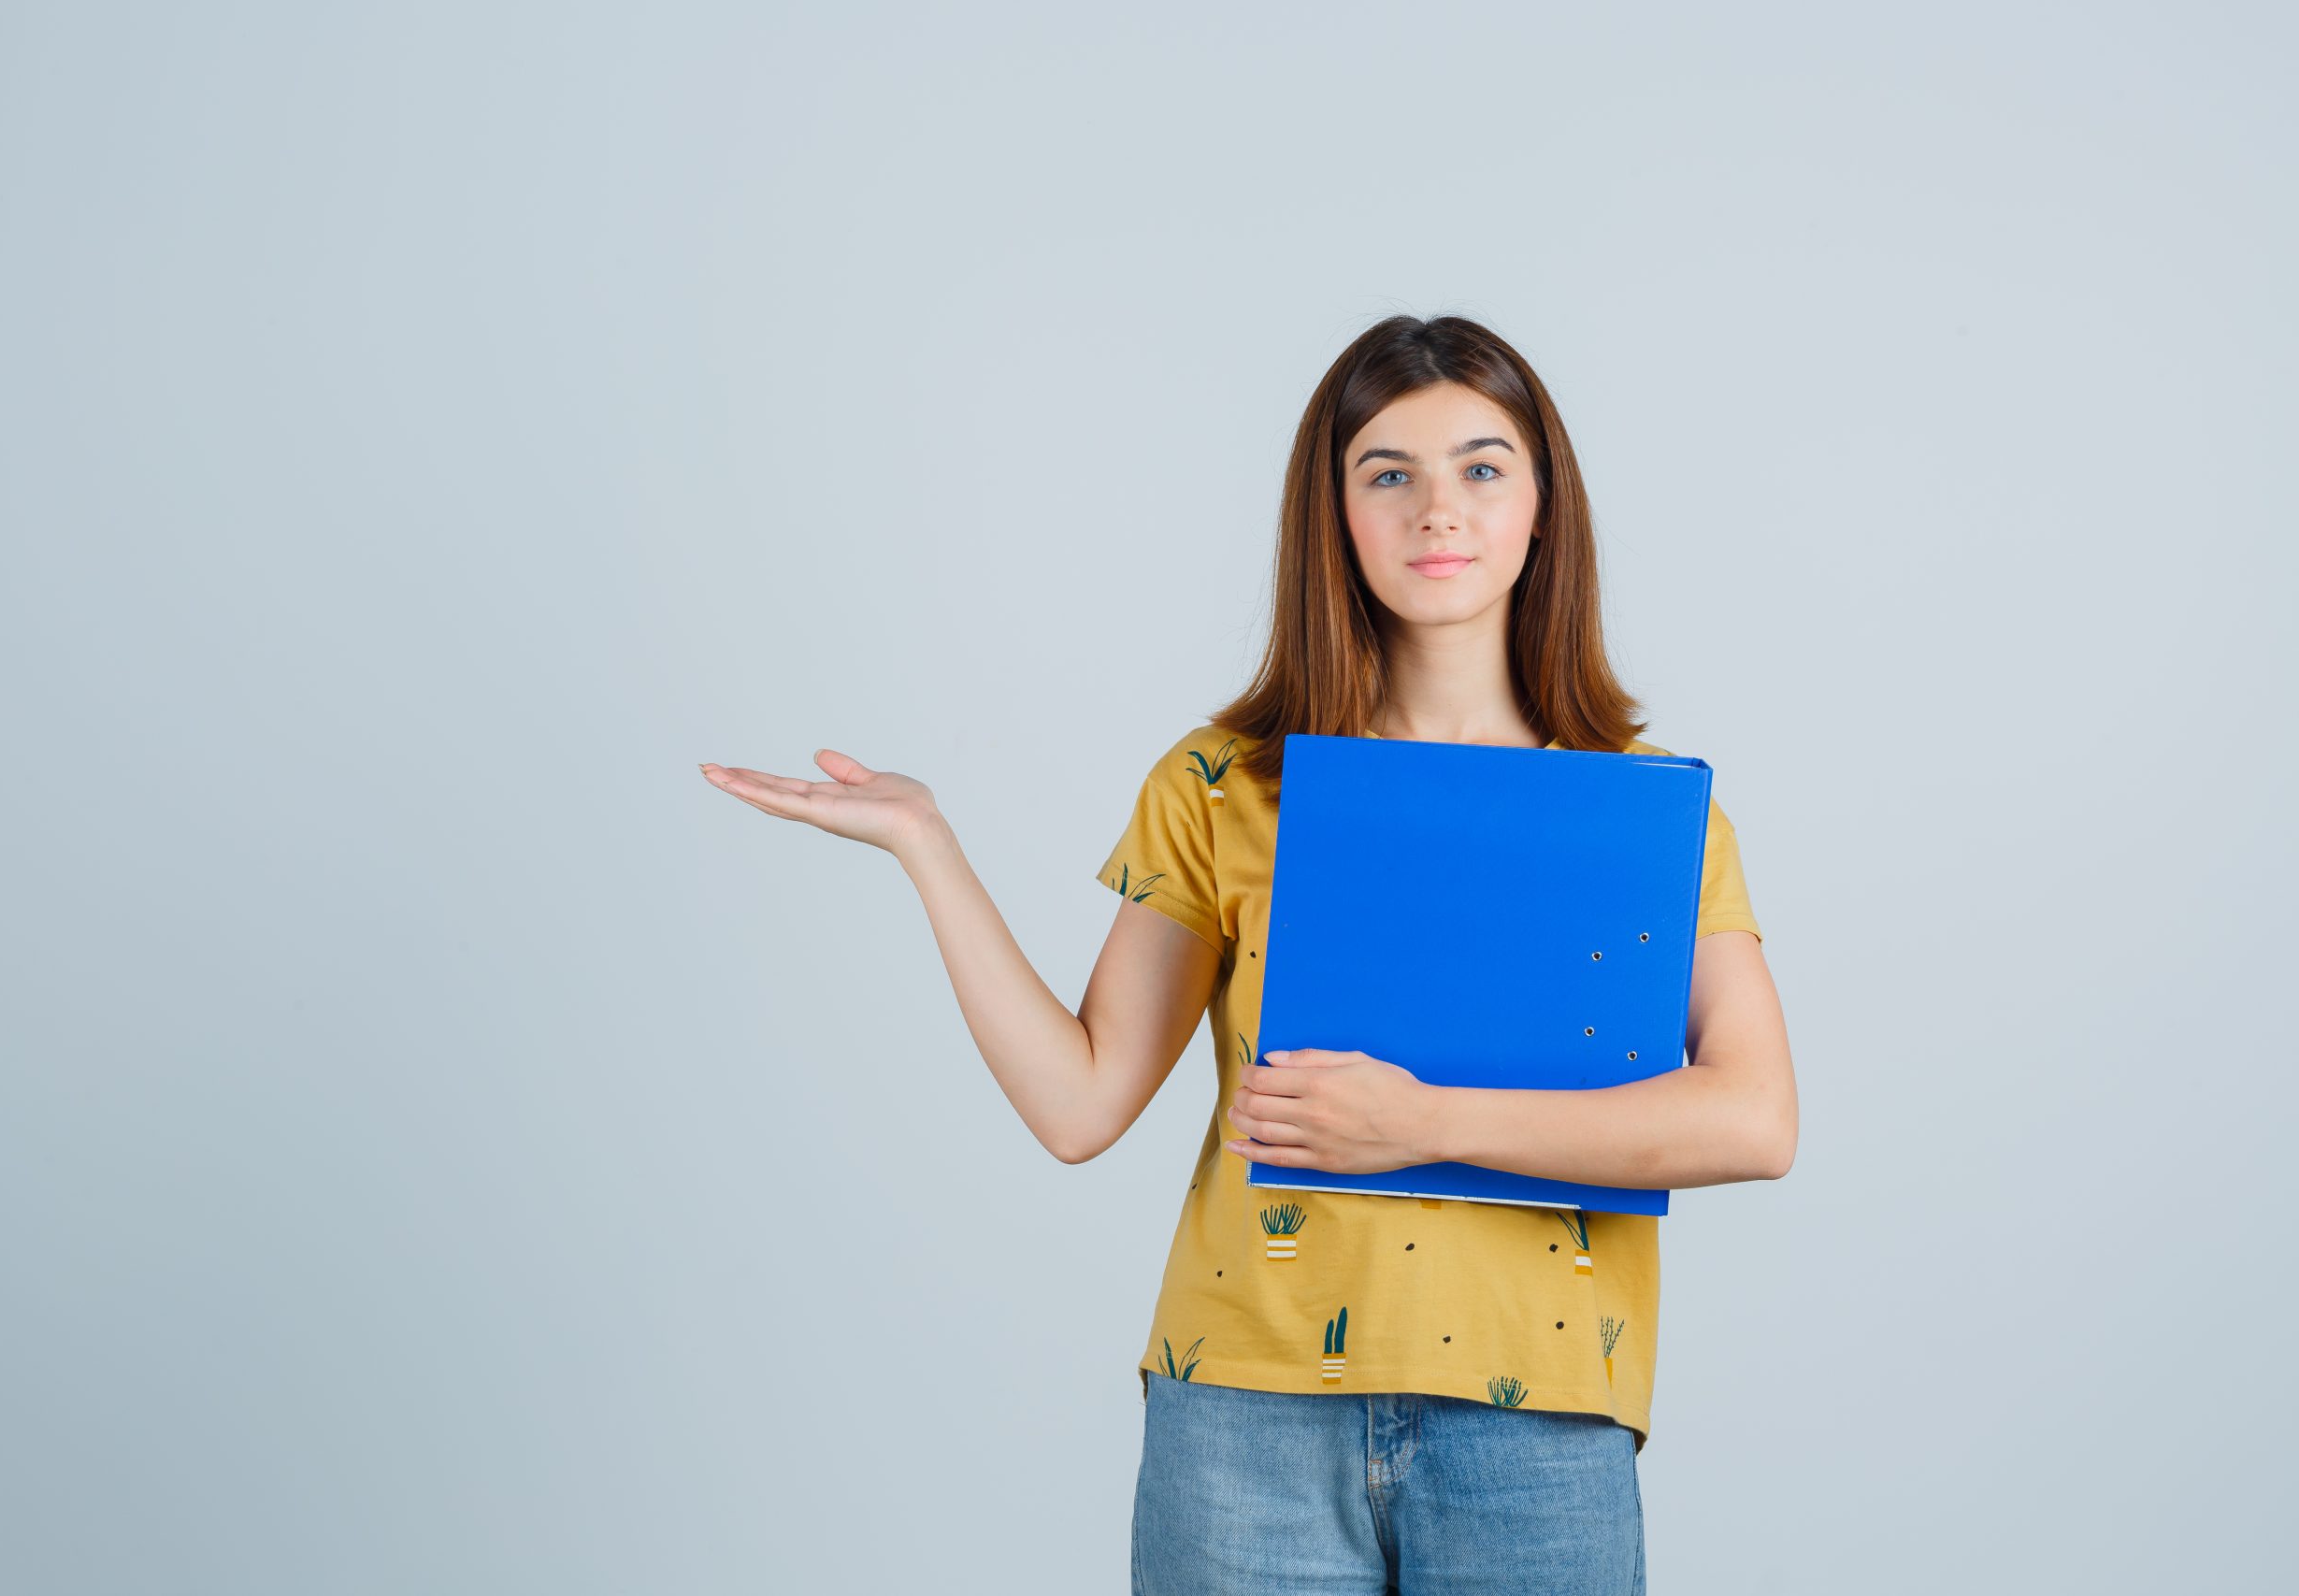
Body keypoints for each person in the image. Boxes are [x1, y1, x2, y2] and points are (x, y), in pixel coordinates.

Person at [699, 313, 1797, 1595]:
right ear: (1332, 513)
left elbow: (1753, 1119)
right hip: (1243, 1422)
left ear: (1544, 507)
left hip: (1537, 1426)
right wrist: (928, 846)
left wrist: (1422, 1119)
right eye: (1388, 473)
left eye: (1483, 467)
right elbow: (1077, 1103)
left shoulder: (1647, 812)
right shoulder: (1225, 782)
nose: (1437, 509)